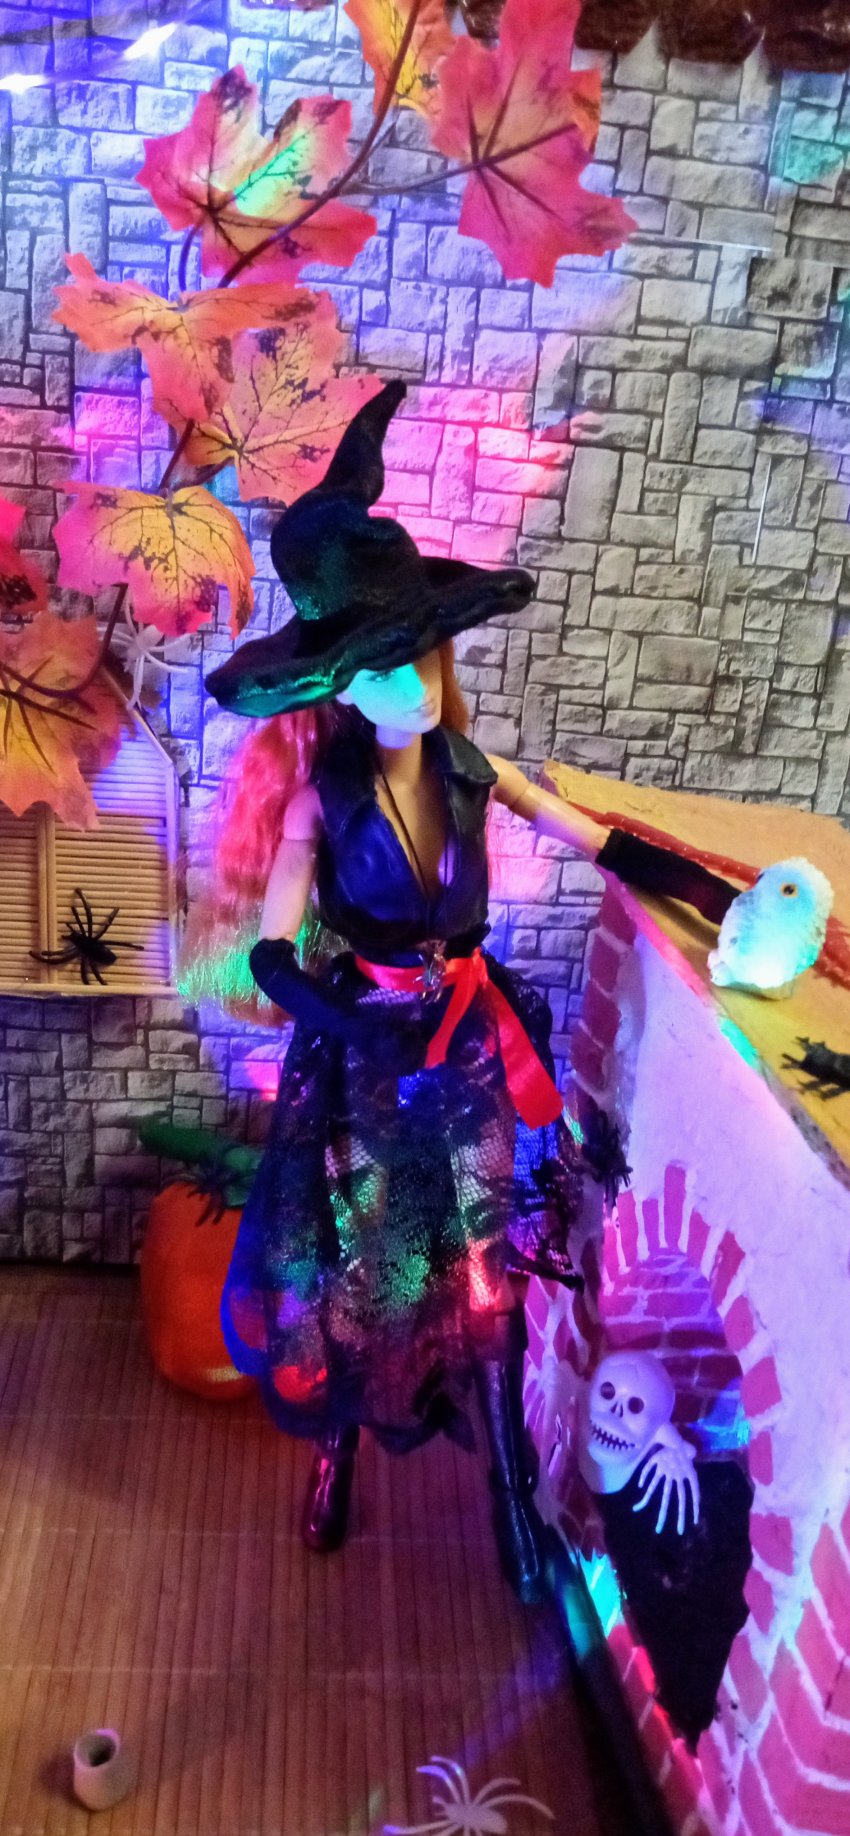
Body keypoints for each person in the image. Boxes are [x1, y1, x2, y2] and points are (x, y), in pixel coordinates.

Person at [184, 381, 709, 1604]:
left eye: (418, 653)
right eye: (376, 667)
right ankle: (339, 1448)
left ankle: (510, 1489)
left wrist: (712, 893)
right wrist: (336, 1014)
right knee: (356, 1264)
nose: (408, 684)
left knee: (477, 1260)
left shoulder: (478, 770)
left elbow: (600, 841)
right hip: (362, 1058)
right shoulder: (320, 799)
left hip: (468, 1042)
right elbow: (272, 947)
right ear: (335, 685)